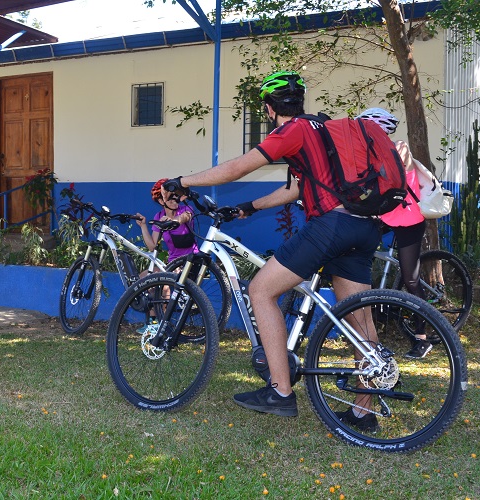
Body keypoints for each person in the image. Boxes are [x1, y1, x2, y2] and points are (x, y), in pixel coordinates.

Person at [162, 71, 382, 430]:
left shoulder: (290, 130)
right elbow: (296, 189)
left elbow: (235, 168)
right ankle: (364, 411)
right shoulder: (323, 128)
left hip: (331, 226)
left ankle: (280, 392)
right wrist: (251, 206)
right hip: (362, 224)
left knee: (261, 290)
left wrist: (182, 181)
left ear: (268, 108)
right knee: (359, 319)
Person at [356, 108, 431, 359]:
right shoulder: (369, 153)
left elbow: (390, 180)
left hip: (409, 219)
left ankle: (423, 338)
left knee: (410, 279)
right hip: (387, 217)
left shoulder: (399, 148)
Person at [134, 178, 199, 333]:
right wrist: (143, 226)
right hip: (172, 263)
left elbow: (185, 218)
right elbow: (152, 245)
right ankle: (152, 323)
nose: (174, 199)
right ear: (161, 200)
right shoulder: (159, 216)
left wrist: (172, 221)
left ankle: (162, 324)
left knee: (163, 284)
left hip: (190, 261)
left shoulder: (186, 210)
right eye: (170, 196)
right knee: (145, 277)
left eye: (176, 195)